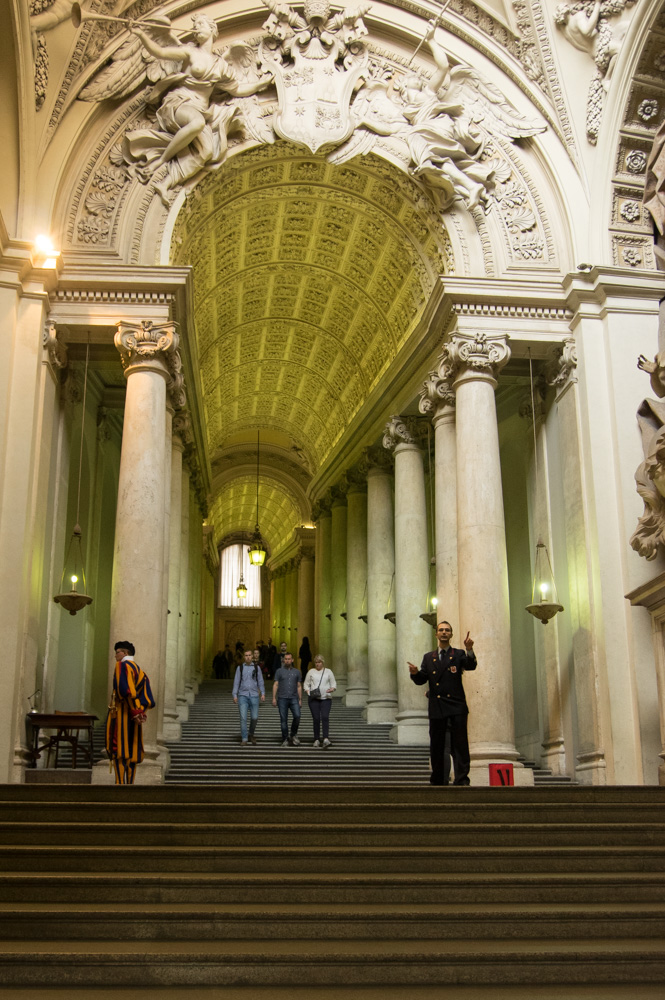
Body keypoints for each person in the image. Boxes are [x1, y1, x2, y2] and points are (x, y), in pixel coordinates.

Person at [408, 621, 476, 786]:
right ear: (436, 634)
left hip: (456, 706)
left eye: (447, 630)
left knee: (459, 745)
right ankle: (438, 779)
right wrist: (415, 673)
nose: (444, 632)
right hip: (437, 708)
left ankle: (461, 779)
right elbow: (422, 679)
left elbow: (471, 665)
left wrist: (469, 650)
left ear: (451, 635)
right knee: (437, 745)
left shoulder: (458, 654)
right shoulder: (428, 657)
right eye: (441, 630)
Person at [105, 640, 155, 785]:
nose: (115, 656)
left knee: (119, 749)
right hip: (136, 717)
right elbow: (147, 698)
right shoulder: (140, 671)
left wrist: (134, 711)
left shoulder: (122, 666)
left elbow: (126, 691)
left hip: (123, 713)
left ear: (125, 653)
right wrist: (140, 713)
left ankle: (120, 785)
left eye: (117, 652)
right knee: (132, 751)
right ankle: (130, 784)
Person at [232, 648, 265, 745]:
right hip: (243, 695)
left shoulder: (256, 667)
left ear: (252, 656)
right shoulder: (240, 668)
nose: (248, 657)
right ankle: (244, 738)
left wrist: (262, 693)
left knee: (254, 717)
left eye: (249, 655)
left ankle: (251, 733)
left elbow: (260, 681)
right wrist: (235, 694)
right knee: (243, 718)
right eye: (246, 655)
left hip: (254, 695)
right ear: (244, 657)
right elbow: (236, 682)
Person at [303, 654, 336, 747]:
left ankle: (325, 738)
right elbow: (306, 684)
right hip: (314, 699)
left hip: (326, 698)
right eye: (316, 662)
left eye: (319, 662)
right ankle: (316, 739)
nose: (317, 664)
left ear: (323, 662)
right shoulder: (311, 672)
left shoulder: (328, 671)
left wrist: (332, 689)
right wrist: (308, 691)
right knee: (316, 719)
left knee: (325, 717)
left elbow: (333, 684)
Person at [272, 651, 302, 746]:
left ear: (292, 660)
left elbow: (299, 686)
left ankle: (293, 734)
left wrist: (300, 699)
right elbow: (276, 684)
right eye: (286, 659)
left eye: (289, 659)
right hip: (282, 698)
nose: (287, 660)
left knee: (297, 716)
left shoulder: (297, 672)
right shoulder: (279, 671)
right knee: (283, 720)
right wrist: (273, 698)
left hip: (294, 698)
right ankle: (285, 738)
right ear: (283, 660)